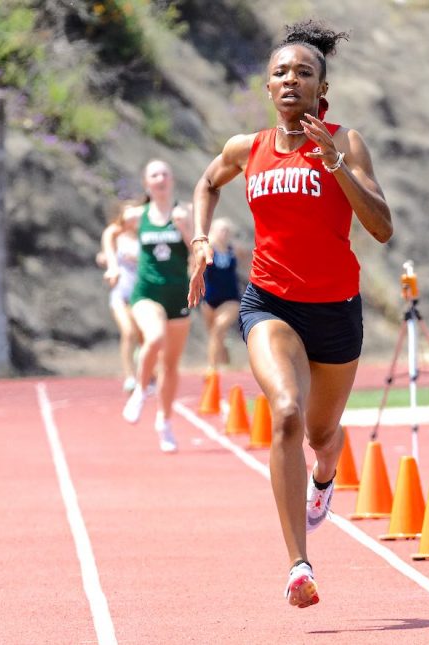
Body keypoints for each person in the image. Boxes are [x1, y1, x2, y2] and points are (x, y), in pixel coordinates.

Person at [187, 20, 393, 608]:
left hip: (335, 310)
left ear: (321, 89)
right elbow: (206, 182)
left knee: (323, 436)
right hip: (270, 302)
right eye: (280, 72)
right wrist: (200, 241)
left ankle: (324, 480)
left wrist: (335, 164)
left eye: (304, 72)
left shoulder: (345, 142)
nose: (290, 80)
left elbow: (381, 228)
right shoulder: (246, 148)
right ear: (268, 85)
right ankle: (298, 564)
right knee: (284, 416)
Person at [114, 159, 194, 453]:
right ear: (147, 183)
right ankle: (139, 388)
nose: (160, 178)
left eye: (165, 173)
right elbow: (110, 234)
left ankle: (164, 421)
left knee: (171, 366)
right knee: (154, 337)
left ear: (171, 180)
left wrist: (185, 229)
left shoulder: (184, 212)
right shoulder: (137, 216)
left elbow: (197, 248)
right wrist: (112, 264)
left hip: (178, 295)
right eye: (154, 175)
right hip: (146, 293)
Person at [98, 200, 142, 393]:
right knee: (128, 332)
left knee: (144, 337)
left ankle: (147, 372)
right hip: (120, 292)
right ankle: (129, 376)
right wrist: (106, 262)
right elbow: (105, 254)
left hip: (141, 293)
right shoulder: (116, 236)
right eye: (128, 215)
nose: (132, 219)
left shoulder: (145, 237)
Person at [201, 217, 250, 375]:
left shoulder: (234, 249)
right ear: (213, 231)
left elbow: (249, 259)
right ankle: (225, 356)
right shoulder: (207, 249)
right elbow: (194, 264)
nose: (224, 233)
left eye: (227, 230)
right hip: (209, 298)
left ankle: (212, 368)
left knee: (218, 329)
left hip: (230, 297)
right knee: (215, 334)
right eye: (221, 230)